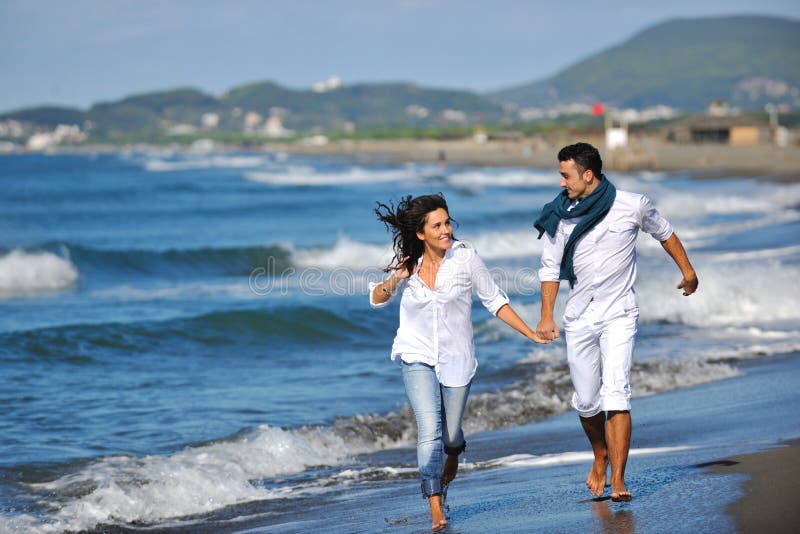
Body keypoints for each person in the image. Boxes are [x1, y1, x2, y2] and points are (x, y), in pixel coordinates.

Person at [370, 193, 548, 531]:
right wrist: (397, 276)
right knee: (429, 429)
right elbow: (377, 299)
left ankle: (452, 455)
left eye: (447, 222)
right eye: (437, 225)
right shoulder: (410, 263)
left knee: (450, 438)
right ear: (421, 233)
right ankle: (435, 505)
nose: (445, 230)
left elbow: (495, 301)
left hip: (457, 359)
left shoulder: (466, 259)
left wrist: (530, 333)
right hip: (416, 354)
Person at [534, 142, 698, 502]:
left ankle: (620, 479)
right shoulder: (558, 215)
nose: (561, 182)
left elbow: (664, 232)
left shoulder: (632, 204)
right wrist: (546, 314)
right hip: (579, 316)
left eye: (566, 175)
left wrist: (688, 271)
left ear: (588, 175)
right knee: (587, 401)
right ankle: (600, 453)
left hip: (620, 313)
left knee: (617, 392)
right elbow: (549, 268)